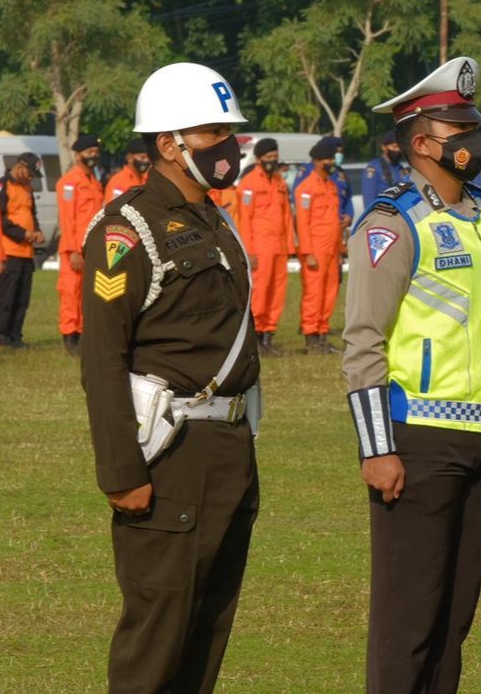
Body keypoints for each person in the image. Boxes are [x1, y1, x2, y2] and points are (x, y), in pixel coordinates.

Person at [81, 61, 260, 692]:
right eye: (212, 133)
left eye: (227, 131)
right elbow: (102, 360)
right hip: (168, 457)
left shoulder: (217, 219)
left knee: (207, 635)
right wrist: (122, 471)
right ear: (168, 144)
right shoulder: (125, 231)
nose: (227, 146)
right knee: (156, 639)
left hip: (229, 450)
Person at [343, 56, 481, 694]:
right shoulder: (393, 224)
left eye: (475, 127)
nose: (476, 143)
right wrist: (376, 448)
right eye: (460, 132)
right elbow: (362, 341)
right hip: (418, 441)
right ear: (421, 143)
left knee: (454, 621)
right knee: (407, 620)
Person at [238, 137, 295, 356]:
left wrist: (290, 246)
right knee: (260, 293)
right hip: (259, 248)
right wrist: (249, 251)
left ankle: (268, 337)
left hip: (279, 247)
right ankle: (255, 338)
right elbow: (244, 218)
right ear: (259, 158)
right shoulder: (249, 184)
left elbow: (287, 216)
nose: (273, 161)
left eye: (275, 157)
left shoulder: (280, 183)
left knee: (277, 293)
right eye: (269, 157)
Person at [55, 134, 105, 353]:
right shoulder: (68, 182)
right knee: (71, 292)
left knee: (88, 293)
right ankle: (70, 336)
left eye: (96, 152)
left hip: (92, 247)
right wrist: (73, 250)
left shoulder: (94, 181)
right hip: (74, 250)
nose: (93, 156)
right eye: (89, 152)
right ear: (78, 155)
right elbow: (67, 219)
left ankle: (84, 333)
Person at [295, 138, 342, 354]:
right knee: (314, 293)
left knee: (329, 292)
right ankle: (311, 337)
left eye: (333, 158)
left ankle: (323, 334)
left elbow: (334, 220)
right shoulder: (306, 189)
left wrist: (340, 248)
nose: (331, 162)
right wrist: (308, 252)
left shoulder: (331, 186)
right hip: (315, 249)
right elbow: (302, 222)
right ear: (316, 161)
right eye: (327, 159)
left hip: (332, 249)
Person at [0, 152, 45, 348]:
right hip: (10, 250)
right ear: (21, 167)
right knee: (7, 298)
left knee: (22, 298)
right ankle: (2, 335)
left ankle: (16, 336)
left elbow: (32, 214)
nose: (31, 178)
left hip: (27, 251)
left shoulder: (27, 187)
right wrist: (23, 234)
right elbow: (3, 220)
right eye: (30, 173)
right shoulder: (4, 185)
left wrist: (37, 230)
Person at [360, 128, 408, 208]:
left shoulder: (401, 169)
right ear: (384, 147)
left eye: (400, 147)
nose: (398, 150)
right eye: (394, 146)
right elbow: (369, 202)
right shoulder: (374, 169)